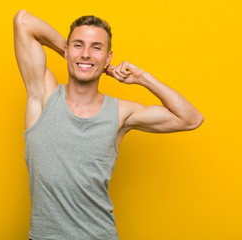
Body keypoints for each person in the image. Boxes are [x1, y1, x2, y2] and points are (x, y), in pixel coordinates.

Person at [13, 9, 204, 240]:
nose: (86, 53)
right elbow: (23, 21)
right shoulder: (42, 96)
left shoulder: (120, 113)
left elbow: (191, 119)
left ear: (108, 57)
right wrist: (76, 56)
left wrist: (142, 78)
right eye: (78, 45)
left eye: (96, 48)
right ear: (66, 49)